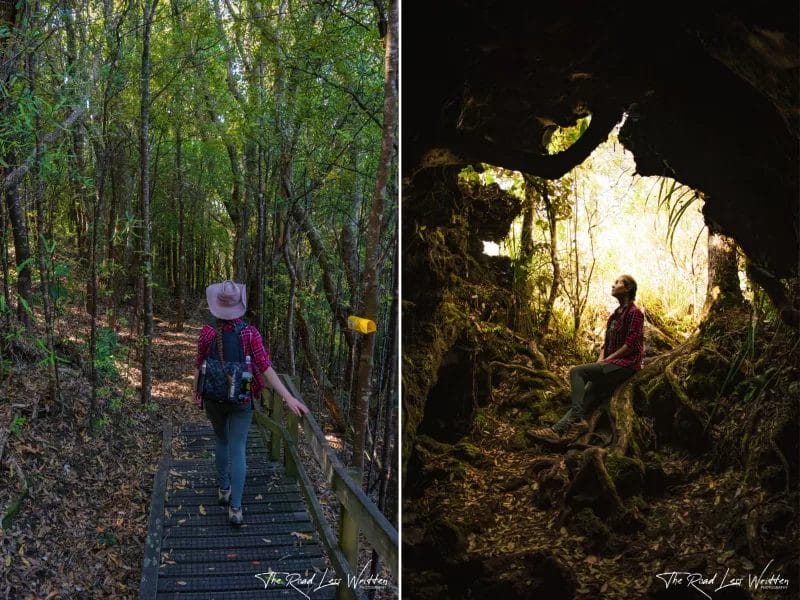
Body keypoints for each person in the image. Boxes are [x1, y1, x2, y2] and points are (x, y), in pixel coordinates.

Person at [192, 280, 309, 526]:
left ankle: (223, 489)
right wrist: (288, 397)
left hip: (213, 396)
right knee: (238, 447)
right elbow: (265, 367)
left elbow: (199, 364)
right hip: (242, 397)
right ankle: (235, 508)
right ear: (239, 306)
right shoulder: (249, 333)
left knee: (221, 440)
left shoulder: (207, 333)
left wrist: (196, 391)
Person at [531, 274, 645, 443]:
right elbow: (605, 345)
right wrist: (600, 361)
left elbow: (631, 345)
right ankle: (556, 431)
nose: (613, 285)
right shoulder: (614, 316)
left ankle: (577, 421)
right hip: (610, 365)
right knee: (587, 394)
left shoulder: (635, 313)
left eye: (617, 282)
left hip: (626, 366)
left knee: (577, 372)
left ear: (628, 288)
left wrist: (608, 360)